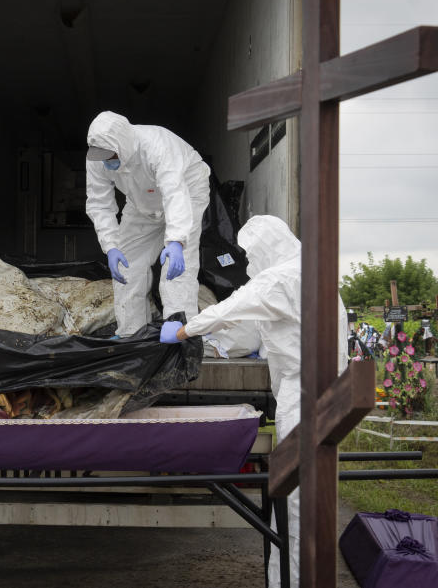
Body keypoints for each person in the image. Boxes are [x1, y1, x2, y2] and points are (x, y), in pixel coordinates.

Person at [157, 215, 348, 588]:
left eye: (249, 253)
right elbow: (251, 321)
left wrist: (182, 330)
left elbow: (234, 307)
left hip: (305, 397)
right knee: (311, 497)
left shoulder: (280, 278)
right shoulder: (310, 270)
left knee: (294, 505)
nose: (247, 262)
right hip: (327, 394)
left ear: (264, 247)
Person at [84, 111, 211, 337]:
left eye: (109, 155)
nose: (105, 161)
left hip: (187, 192)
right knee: (126, 263)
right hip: (141, 201)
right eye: (101, 156)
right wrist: (111, 245)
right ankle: (131, 332)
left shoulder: (157, 145)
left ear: (122, 144)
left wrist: (176, 241)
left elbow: (174, 193)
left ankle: (179, 328)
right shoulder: (96, 159)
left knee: (175, 266)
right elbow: (99, 203)